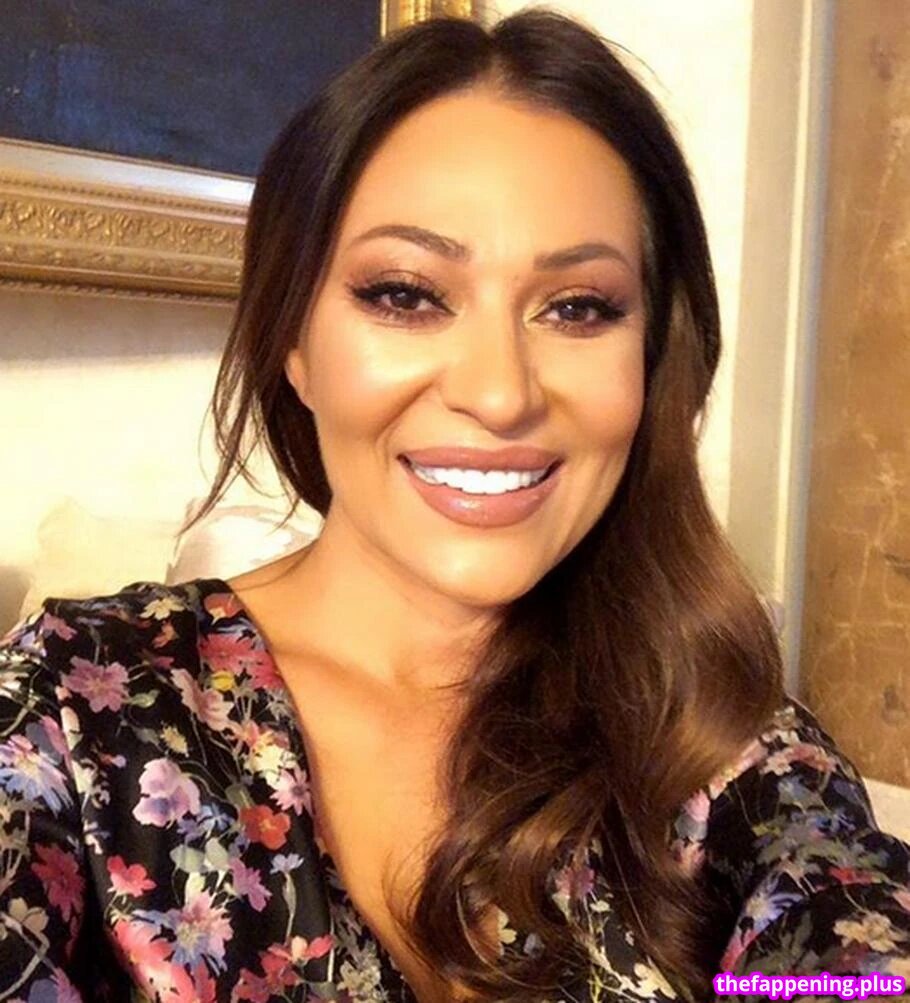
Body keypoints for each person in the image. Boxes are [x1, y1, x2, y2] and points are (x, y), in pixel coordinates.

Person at [1, 9, 908, 1003]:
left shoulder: (724, 746)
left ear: (652, 358)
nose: (501, 392)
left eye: (578, 307)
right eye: (406, 294)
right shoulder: (74, 712)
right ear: (293, 340)